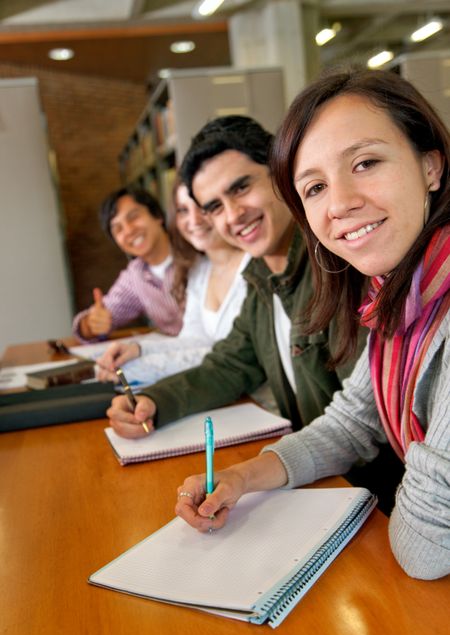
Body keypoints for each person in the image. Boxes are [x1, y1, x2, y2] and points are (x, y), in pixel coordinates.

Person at [175, 67, 450, 581]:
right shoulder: (397, 293)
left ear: (430, 166)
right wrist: (240, 477)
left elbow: (424, 547)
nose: (341, 202)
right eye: (316, 186)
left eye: (366, 162)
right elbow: (352, 422)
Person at [106, 115, 363, 437]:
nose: (233, 215)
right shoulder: (262, 278)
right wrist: (153, 401)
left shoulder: (341, 265)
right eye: (214, 207)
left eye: (241, 187)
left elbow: (362, 424)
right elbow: (229, 365)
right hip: (317, 469)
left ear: (281, 171)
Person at [96, 179, 249, 387]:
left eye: (203, 206)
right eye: (183, 211)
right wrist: (138, 349)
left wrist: (137, 366)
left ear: (159, 217)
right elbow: (195, 338)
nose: (194, 220)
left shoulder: (196, 259)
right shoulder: (200, 273)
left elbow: (230, 353)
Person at [72, 187, 184, 342]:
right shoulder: (134, 276)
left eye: (133, 217)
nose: (129, 231)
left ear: (157, 216)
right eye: (118, 229)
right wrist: (91, 324)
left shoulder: (195, 248)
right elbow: (104, 314)